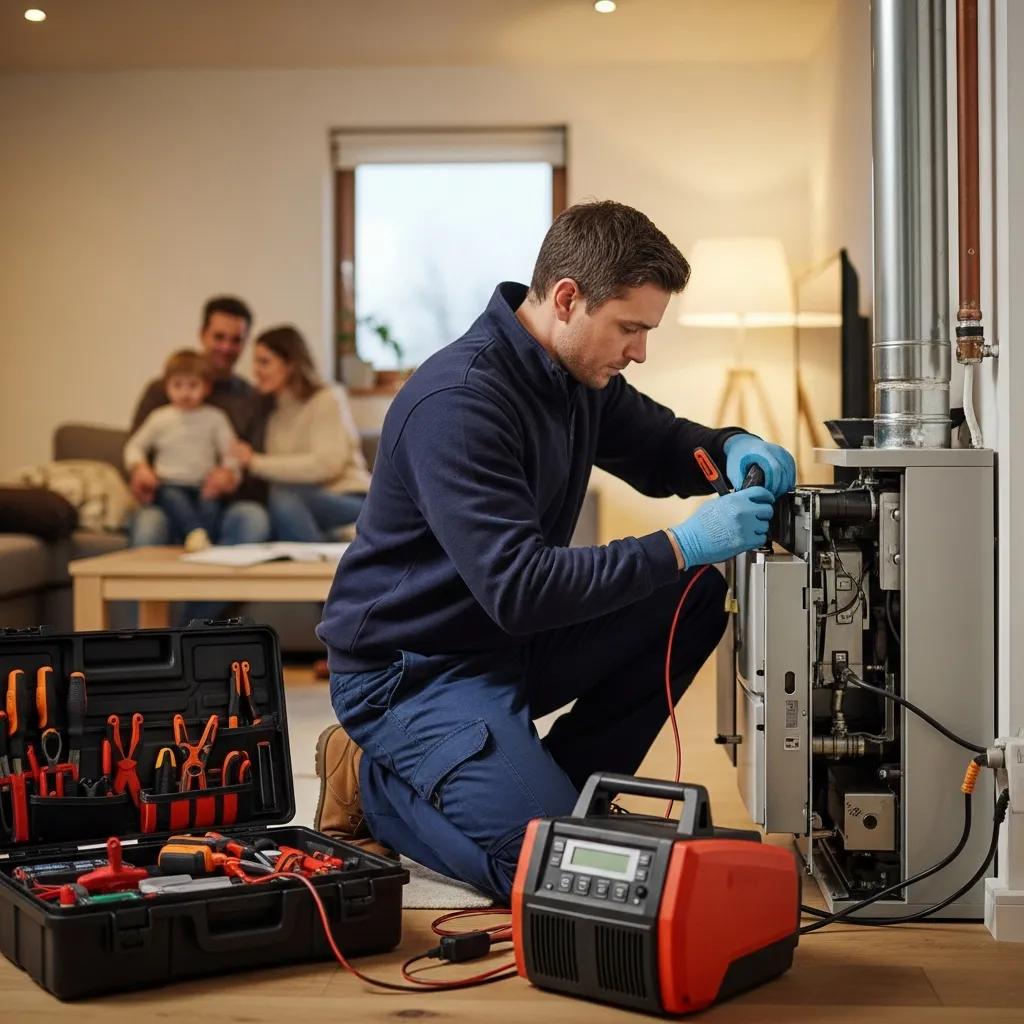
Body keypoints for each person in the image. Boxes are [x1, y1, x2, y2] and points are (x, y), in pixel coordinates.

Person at [313, 201, 796, 901]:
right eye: (630, 328)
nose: (639, 350)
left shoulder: (575, 378)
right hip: (411, 671)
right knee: (548, 870)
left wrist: (729, 447)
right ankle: (375, 787)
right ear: (568, 298)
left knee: (690, 595)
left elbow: (663, 445)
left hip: (502, 643)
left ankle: (568, 798)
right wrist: (682, 541)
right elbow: (521, 587)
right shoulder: (459, 402)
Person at [127, 296, 269, 547]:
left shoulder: (251, 398)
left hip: (221, 503)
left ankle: (222, 584)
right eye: (219, 337)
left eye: (235, 340)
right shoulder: (160, 390)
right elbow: (136, 447)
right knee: (150, 524)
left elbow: (254, 463)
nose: (226, 347)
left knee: (253, 518)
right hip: (166, 497)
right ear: (202, 334)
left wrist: (231, 477)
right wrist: (139, 472)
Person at [230, 326, 370, 541]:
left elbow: (327, 464)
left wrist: (255, 463)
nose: (255, 371)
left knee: (284, 497)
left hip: (350, 499)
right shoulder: (274, 414)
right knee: (273, 506)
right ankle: (326, 546)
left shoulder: (327, 398)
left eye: (264, 362)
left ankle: (317, 565)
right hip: (300, 507)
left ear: (291, 365)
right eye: (255, 362)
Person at [124, 349, 239, 551]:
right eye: (178, 385)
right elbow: (135, 446)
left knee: (211, 506)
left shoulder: (215, 417)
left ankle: (201, 543)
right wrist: (139, 467)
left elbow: (231, 451)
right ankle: (197, 536)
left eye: (193, 385)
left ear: (207, 387)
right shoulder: (159, 418)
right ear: (167, 386)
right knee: (174, 500)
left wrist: (228, 472)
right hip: (169, 483)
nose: (185, 393)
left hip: (205, 485)